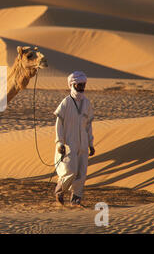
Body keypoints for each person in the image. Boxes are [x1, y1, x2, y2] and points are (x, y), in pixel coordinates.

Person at [53, 71, 95, 206]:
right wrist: (60, 142)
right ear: (72, 85)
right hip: (68, 142)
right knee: (70, 170)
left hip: (83, 143)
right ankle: (60, 190)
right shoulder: (66, 102)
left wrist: (90, 143)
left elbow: (88, 126)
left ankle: (76, 199)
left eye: (83, 84)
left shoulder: (87, 103)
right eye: (79, 84)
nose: (82, 87)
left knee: (82, 173)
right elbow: (58, 124)